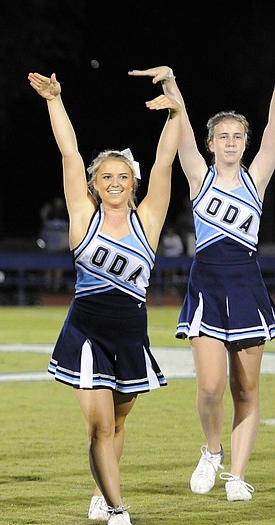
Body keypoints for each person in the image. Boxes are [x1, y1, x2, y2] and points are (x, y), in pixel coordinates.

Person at [28, 71, 181, 525]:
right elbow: (69, 153)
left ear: (133, 182)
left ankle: (101, 491)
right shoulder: (81, 216)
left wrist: (175, 108)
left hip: (131, 336)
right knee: (98, 427)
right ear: (94, 184)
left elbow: (165, 161)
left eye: (123, 176)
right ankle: (118, 509)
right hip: (86, 332)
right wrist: (56, 100)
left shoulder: (149, 220)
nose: (115, 182)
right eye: (106, 176)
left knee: (115, 424)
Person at [131, 66, 275, 502]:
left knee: (246, 389)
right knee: (211, 387)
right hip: (207, 288)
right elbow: (183, 123)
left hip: (247, 287)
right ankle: (212, 451)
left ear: (245, 145)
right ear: (212, 145)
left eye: (237, 137)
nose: (230, 142)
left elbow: (274, 125)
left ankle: (237, 475)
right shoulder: (199, 176)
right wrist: (172, 81)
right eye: (222, 136)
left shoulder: (258, 178)